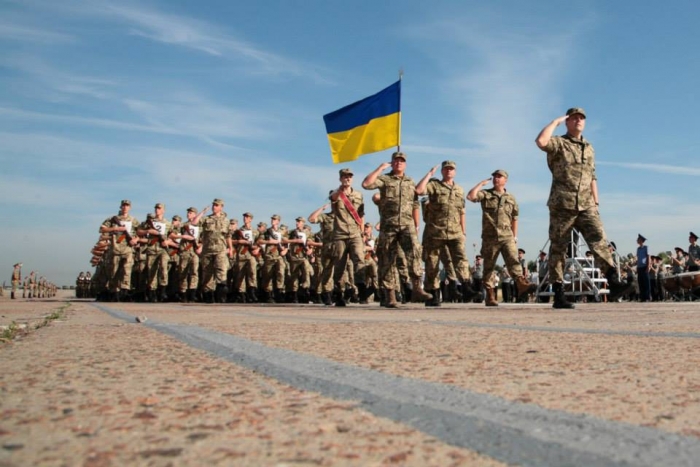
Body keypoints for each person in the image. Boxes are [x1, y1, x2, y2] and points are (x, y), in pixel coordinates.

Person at [535, 107, 630, 308]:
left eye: (581, 118)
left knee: (599, 239)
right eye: (574, 118)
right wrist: (555, 122)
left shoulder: (589, 147)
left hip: (586, 203)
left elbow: (592, 175)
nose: (578, 121)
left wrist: (596, 201)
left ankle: (614, 281)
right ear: (568, 122)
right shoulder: (560, 143)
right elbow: (541, 142)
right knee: (559, 247)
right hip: (563, 204)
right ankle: (559, 294)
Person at [362, 151, 432, 308]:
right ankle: (390, 295)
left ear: (405, 164)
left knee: (414, 252)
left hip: (407, 224)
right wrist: (380, 168)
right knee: (387, 259)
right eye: (396, 161)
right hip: (389, 225)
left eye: (402, 161)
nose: (399, 163)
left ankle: (416, 288)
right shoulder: (385, 179)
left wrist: (416, 223)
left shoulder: (409, 181)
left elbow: (414, 203)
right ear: (392, 163)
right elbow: (366, 184)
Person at [466, 170, 536, 307]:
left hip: (507, 236)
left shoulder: (511, 198)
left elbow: (515, 217)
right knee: (489, 267)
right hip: (490, 237)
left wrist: (515, 236)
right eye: (494, 176)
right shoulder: (486, 194)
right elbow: (470, 196)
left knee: (513, 260)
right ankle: (490, 295)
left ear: (506, 180)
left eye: (499, 176)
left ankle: (521, 284)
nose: (496, 179)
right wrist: (481, 184)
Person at [416, 160, 478, 306]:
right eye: (446, 169)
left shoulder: (459, 190)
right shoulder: (434, 185)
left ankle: (467, 287)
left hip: (455, 232)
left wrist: (463, 231)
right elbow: (419, 191)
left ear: (455, 172)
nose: (449, 171)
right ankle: (433, 294)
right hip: (435, 231)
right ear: (442, 171)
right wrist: (429, 174)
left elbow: (462, 211)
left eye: (451, 169)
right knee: (432, 264)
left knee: (461, 259)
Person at [329, 168, 367, 306]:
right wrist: (340, 191)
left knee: (359, 258)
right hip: (340, 233)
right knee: (340, 264)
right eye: (344, 177)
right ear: (340, 179)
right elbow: (333, 199)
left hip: (355, 233)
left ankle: (361, 286)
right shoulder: (335, 193)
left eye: (349, 176)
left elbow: (361, 214)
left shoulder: (358, 194)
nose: (347, 179)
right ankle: (339, 292)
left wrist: (363, 232)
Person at [100, 200, 140, 301]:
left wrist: (135, 239)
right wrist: (115, 229)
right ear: (120, 207)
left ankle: (125, 291)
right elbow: (102, 229)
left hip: (128, 249)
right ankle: (114, 292)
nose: (125, 207)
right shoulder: (113, 219)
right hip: (115, 248)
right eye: (123, 205)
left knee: (127, 270)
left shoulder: (133, 220)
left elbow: (140, 232)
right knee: (114, 271)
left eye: (127, 206)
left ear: (130, 207)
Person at [199, 199, 233, 303]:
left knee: (221, 271)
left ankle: (221, 295)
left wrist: (230, 248)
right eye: (213, 205)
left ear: (221, 207)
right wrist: (203, 212)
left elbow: (228, 236)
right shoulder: (206, 219)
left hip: (220, 250)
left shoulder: (226, 221)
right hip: (207, 250)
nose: (214, 207)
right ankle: (208, 295)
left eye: (217, 205)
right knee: (207, 273)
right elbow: (195, 222)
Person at [137, 203, 172, 302]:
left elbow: (173, 235)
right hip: (152, 249)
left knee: (164, 268)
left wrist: (168, 241)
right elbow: (139, 232)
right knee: (151, 271)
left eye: (159, 208)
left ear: (163, 210)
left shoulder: (167, 223)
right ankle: (152, 293)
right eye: (156, 208)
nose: (157, 210)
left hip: (163, 249)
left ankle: (162, 291)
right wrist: (148, 231)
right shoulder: (148, 222)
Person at [636, 234, 651, 302]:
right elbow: (638, 258)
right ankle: (642, 297)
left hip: (645, 266)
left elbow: (648, 257)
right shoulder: (638, 249)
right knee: (640, 282)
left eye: (638, 239)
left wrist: (648, 266)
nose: (637, 240)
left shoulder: (646, 248)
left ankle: (647, 297)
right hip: (639, 267)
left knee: (646, 283)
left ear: (641, 241)